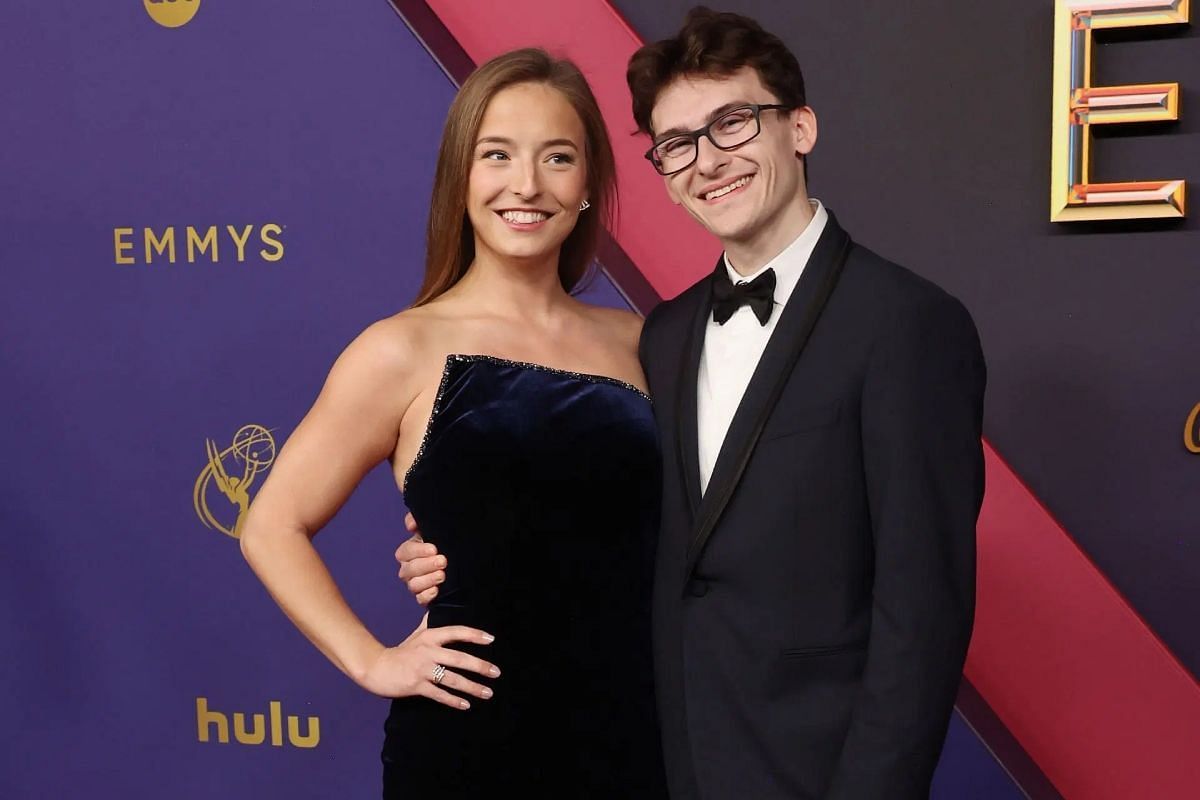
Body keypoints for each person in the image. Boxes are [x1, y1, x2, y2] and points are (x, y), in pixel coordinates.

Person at [396, 8, 987, 799]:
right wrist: (469, 537)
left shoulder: (908, 324)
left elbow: (924, 614)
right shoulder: (663, 336)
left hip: (816, 770)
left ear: (801, 127)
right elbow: (619, 511)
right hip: (653, 753)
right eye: (678, 144)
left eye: (733, 123)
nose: (709, 161)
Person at [240, 47, 667, 797]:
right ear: (460, 178)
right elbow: (270, 525)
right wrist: (373, 660)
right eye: (496, 155)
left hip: (644, 734)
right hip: (472, 744)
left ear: (590, 186)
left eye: (557, 157)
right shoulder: (401, 348)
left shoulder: (644, 343)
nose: (526, 185)